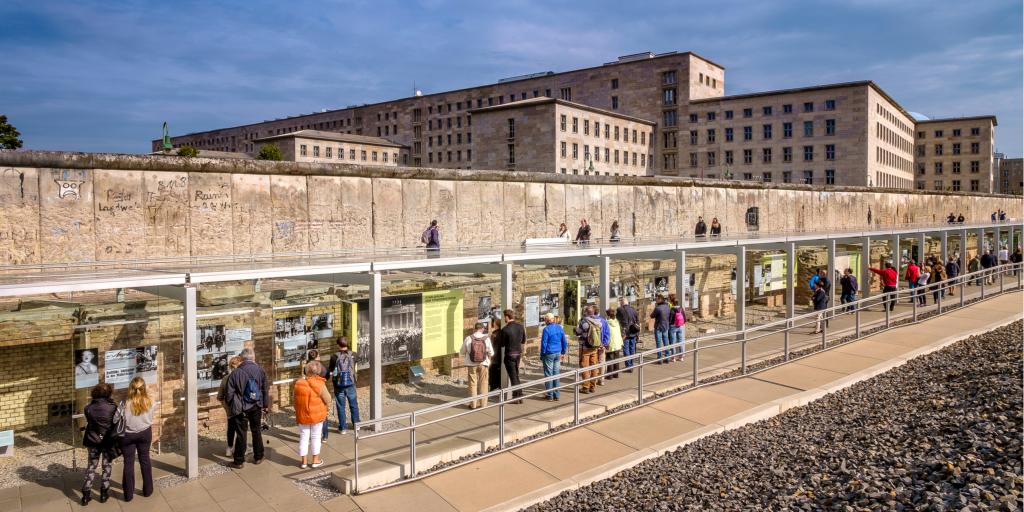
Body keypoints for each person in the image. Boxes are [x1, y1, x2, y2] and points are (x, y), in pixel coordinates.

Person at [223, 348, 269, 468]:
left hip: (241, 407)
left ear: (242, 358)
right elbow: (265, 389)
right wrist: (265, 405)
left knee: (241, 433)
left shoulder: (235, 373)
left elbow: (229, 393)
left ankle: (238, 461)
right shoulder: (260, 370)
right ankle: (258, 456)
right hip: (256, 405)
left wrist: (232, 404)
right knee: (256, 431)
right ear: (253, 357)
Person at [80, 383, 117, 506]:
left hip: (92, 441)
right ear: (108, 393)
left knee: (91, 466)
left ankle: (85, 495)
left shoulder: (88, 408)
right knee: (106, 466)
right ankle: (103, 493)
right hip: (107, 441)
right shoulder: (112, 407)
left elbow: (90, 423)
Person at [121, 377, 155, 502]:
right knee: (145, 460)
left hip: (128, 435)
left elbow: (117, 420)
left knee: (128, 463)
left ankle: (128, 494)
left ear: (130, 388)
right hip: (145, 433)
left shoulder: (125, 404)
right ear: (144, 388)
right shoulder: (150, 401)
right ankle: (148, 490)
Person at [294, 360, 331, 469]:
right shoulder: (320, 384)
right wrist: (326, 410)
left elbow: (295, 401)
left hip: (303, 416)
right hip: (317, 416)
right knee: (316, 437)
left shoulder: (298, 383)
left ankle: (304, 462)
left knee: (303, 437)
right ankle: (315, 460)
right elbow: (328, 399)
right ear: (318, 372)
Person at [327, 338, 360, 434]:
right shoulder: (354, 354)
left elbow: (331, 370)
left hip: (339, 385)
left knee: (341, 406)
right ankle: (356, 426)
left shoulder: (334, 357)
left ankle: (343, 428)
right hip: (351, 383)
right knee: (353, 405)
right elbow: (355, 363)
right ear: (347, 344)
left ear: (338, 345)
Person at [460, 322, 494, 409]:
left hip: (471, 364)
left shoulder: (468, 338)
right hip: (483, 364)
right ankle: (483, 404)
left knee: (472, 384)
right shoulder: (486, 339)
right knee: (484, 383)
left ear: (474, 329)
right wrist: (489, 361)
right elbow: (491, 352)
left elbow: (462, 352)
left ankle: (473, 404)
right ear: (482, 329)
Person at [217, 356, 244, 456]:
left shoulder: (225, 379)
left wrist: (226, 407)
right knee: (241, 430)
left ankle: (229, 447)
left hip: (230, 409)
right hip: (241, 408)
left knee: (231, 428)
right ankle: (240, 449)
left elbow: (220, 397)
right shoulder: (242, 377)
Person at [575, 306, 603, 393]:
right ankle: (592, 386)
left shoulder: (584, 322)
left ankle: (585, 387)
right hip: (595, 346)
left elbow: (578, 332)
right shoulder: (598, 322)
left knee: (585, 367)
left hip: (585, 347)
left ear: (586, 312)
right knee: (594, 366)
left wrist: (575, 330)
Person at [303, 349, 329, 442]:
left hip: (309, 391)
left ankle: (311, 436)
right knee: (323, 415)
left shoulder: (306, 367)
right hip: (320, 389)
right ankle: (325, 436)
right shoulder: (321, 366)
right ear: (317, 357)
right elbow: (327, 375)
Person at [540, 313, 567, 401]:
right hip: (558, 352)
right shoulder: (559, 327)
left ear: (547, 320)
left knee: (549, 374)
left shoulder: (546, 329)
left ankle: (550, 395)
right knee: (556, 373)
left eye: (545, 320)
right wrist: (563, 351)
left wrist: (542, 354)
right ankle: (557, 394)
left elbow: (544, 343)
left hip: (549, 353)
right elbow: (564, 340)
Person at [500, 310, 526, 403]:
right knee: (516, 374)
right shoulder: (520, 327)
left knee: (513, 376)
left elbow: (502, 344)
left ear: (507, 317)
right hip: (518, 354)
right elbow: (523, 340)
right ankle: (519, 395)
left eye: (504, 317)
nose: (504, 319)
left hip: (509, 355)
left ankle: (517, 397)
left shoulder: (505, 329)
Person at [616, 297, 640, 371]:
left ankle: (628, 365)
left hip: (625, 332)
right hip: (633, 331)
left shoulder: (620, 310)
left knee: (626, 349)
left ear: (622, 303)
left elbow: (617, 319)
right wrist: (637, 333)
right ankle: (631, 364)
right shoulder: (633, 309)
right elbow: (637, 321)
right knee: (632, 348)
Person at [650, 295, 672, 364]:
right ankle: (667, 357)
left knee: (659, 343)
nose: (655, 300)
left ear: (660, 299)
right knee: (666, 342)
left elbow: (652, 316)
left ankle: (660, 358)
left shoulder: (658, 308)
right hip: (665, 326)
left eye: (656, 299)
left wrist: (655, 307)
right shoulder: (667, 307)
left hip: (659, 327)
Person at [604, 308, 623, 378]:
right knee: (616, 358)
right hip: (618, 343)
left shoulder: (607, 323)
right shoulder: (617, 322)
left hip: (611, 343)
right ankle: (616, 374)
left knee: (609, 359)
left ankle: (609, 375)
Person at [488, 318, 504, 392]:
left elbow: (491, 345)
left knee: (492, 371)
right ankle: (500, 384)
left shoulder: (494, 334)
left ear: (496, 324)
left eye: (494, 323)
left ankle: (493, 386)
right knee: (499, 370)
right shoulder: (503, 332)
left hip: (495, 355)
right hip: (501, 354)